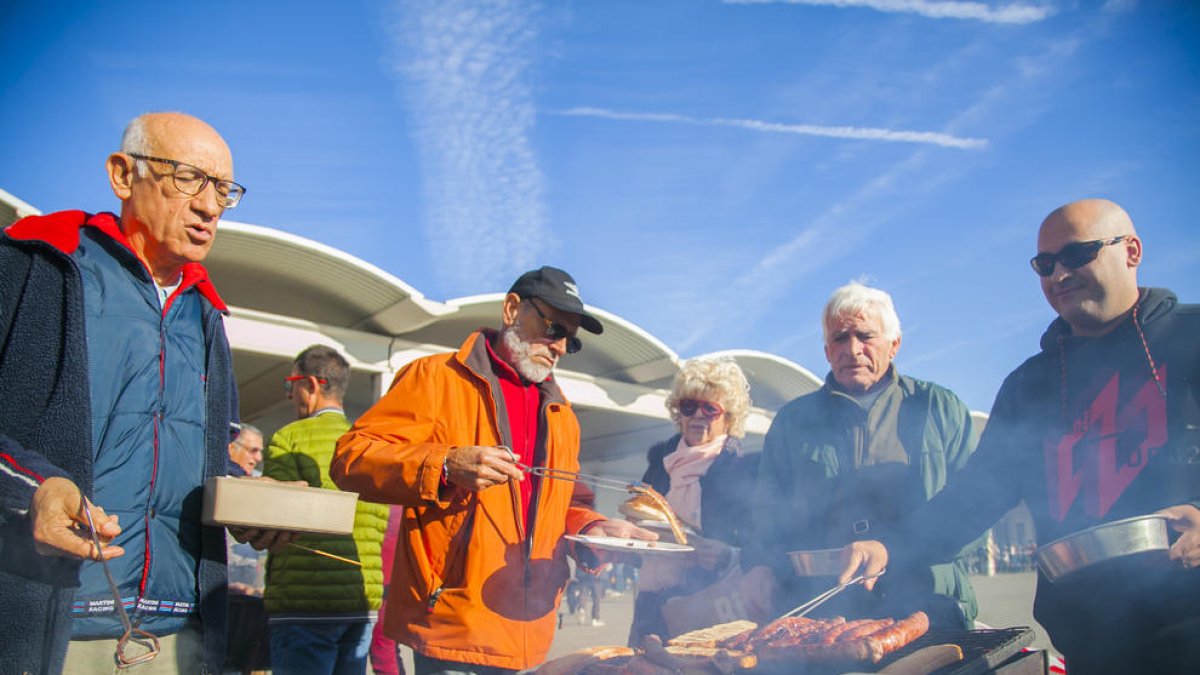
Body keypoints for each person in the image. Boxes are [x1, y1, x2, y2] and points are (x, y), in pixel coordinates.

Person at [841, 199, 1200, 673]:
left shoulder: (1189, 338)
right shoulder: (1031, 384)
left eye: (1077, 255)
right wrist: (890, 547)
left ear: (1131, 251)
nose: (1059, 275)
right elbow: (971, 500)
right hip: (1093, 645)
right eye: (1045, 264)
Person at [0, 112, 286, 674]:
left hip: (178, 633)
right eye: (188, 178)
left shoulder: (207, 315)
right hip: (52, 624)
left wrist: (253, 501)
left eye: (224, 190)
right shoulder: (34, 266)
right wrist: (31, 488)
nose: (210, 206)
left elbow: (208, 462)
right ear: (123, 175)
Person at [330, 265, 653, 674]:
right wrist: (446, 464)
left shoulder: (561, 415)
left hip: (529, 632)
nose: (557, 347)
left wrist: (593, 528)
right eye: (553, 328)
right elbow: (351, 458)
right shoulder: (435, 378)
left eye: (569, 342)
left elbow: (568, 501)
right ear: (512, 309)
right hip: (453, 626)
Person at [744, 282, 979, 630]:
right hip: (826, 608)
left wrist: (893, 548)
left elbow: (974, 508)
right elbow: (768, 509)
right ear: (826, 350)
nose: (852, 349)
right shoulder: (793, 422)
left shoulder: (939, 409)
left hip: (929, 600)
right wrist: (760, 564)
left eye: (865, 336)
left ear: (894, 345)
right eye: (839, 338)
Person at [262, 345, 390, 674]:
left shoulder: (290, 437)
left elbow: (270, 517)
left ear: (312, 384)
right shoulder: (370, 444)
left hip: (304, 604)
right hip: (361, 604)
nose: (291, 396)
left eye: (291, 385)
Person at [627, 357, 763, 644]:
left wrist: (727, 554)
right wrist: (631, 536)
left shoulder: (746, 471)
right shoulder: (658, 466)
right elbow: (638, 531)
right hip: (651, 606)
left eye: (710, 408)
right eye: (689, 406)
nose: (698, 415)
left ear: (728, 417)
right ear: (679, 411)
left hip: (712, 607)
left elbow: (764, 545)